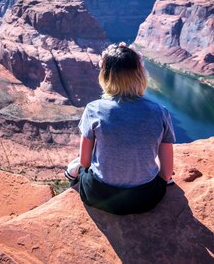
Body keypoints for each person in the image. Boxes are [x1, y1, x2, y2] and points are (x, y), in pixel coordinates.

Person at [65, 42, 175, 215]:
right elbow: (167, 173)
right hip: (146, 199)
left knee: (78, 166)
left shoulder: (93, 109)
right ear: (140, 75)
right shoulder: (160, 112)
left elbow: (86, 162)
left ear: (105, 76)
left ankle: (70, 172)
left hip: (99, 196)